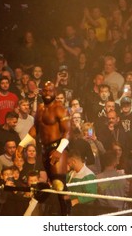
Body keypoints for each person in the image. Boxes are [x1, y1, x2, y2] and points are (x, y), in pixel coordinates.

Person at [16, 81, 70, 215]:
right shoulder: (40, 108)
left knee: (59, 184)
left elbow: (67, 132)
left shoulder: (60, 109)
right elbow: (35, 128)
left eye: (50, 91)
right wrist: (22, 144)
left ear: (55, 92)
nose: (47, 93)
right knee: (48, 184)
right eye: (45, 91)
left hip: (58, 148)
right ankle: (41, 214)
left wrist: (59, 150)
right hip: (44, 149)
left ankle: (66, 218)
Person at [66, 149, 97, 216]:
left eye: (69, 163)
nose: (68, 165)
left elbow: (92, 195)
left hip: (83, 211)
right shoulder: (71, 174)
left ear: (73, 161)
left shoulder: (88, 175)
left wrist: (76, 201)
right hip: (72, 209)